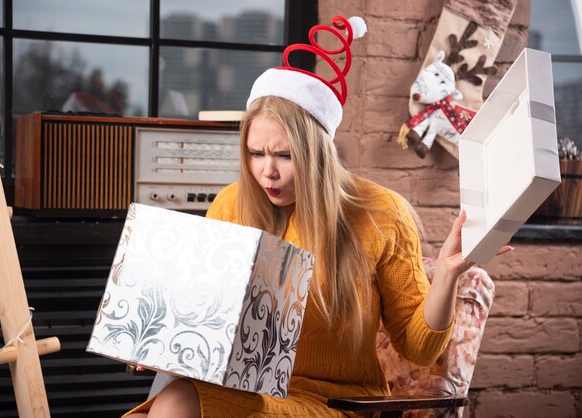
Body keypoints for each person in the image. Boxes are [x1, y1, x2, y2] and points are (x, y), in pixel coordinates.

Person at [125, 15, 512, 418]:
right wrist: (161, 344)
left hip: (337, 402)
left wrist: (448, 275)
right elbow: (204, 317)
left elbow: (420, 348)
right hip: (240, 390)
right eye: (256, 154)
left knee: (176, 405)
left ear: (317, 154)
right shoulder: (231, 204)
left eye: (284, 155)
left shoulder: (382, 214)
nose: (266, 172)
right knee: (165, 403)